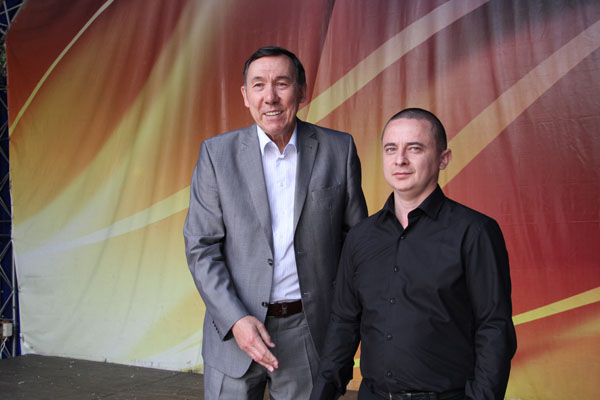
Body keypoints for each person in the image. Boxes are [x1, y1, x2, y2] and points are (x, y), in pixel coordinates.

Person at [183, 46, 367, 400]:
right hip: (234, 331)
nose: (270, 97)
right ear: (245, 96)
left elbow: (357, 244)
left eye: (282, 84)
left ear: (302, 91)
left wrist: (347, 326)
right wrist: (235, 319)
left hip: (309, 333)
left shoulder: (338, 149)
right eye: (258, 85)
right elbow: (201, 247)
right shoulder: (216, 155)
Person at [311, 108, 517, 400]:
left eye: (415, 148)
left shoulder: (475, 232)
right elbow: (343, 324)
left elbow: (494, 329)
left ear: (443, 159)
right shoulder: (360, 237)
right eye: (391, 149)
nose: (400, 160)